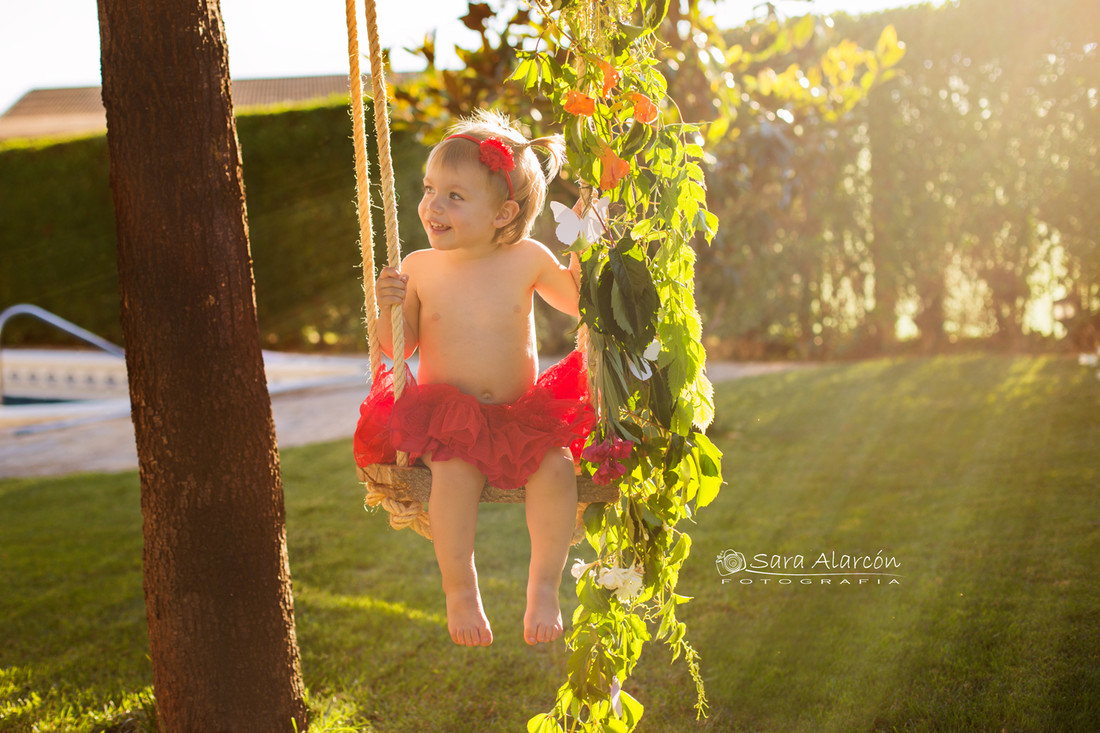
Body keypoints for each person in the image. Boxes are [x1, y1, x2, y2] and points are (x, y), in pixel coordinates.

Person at [354, 110, 595, 647]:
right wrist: (386, 305)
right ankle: (460, 588)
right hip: (451, 419)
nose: (432, 206)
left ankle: (543, 587)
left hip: (520, 413)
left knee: (556, 470)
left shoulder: (526, 259)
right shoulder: (418, 267)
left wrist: (585, 254)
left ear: (502, 212)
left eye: (454, 197)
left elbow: (580, 304)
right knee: (453, 481)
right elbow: (399, 347)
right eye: (429, 190)